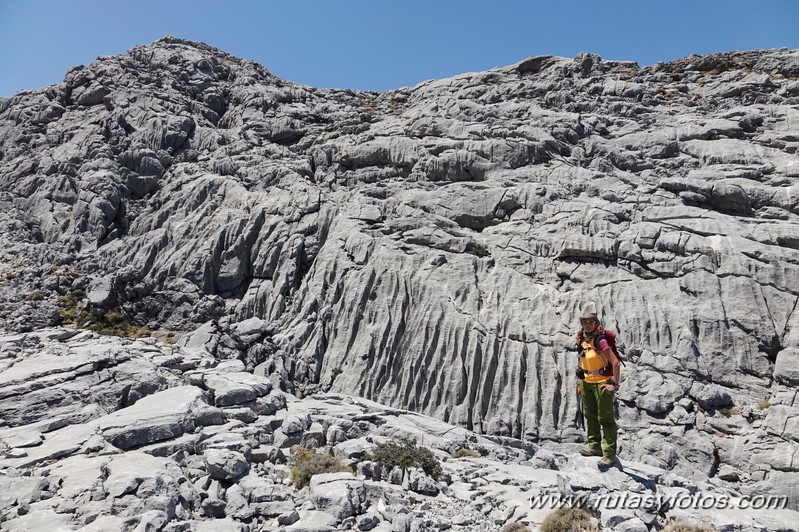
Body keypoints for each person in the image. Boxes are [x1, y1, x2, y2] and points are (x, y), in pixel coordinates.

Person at [576, 310, 621, 470]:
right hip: (586, 382)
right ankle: (594, 445)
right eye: (585, 322)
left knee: (606, 419)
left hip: (602, 384)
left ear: (596, 323)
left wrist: (614, 385)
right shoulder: (582, 338)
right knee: (590, 415)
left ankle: (609, 453)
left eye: (591, 322)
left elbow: (615, 363)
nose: (588, 325)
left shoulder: (600, 341)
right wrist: (580, 382)